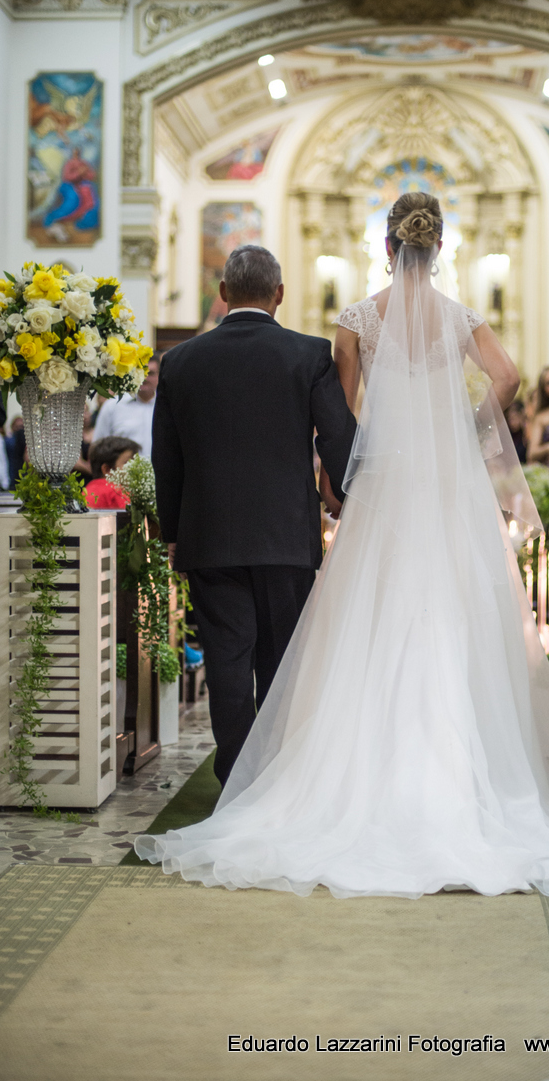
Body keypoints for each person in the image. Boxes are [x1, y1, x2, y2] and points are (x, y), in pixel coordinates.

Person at [136, 192, 549, 898]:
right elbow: (508, 377)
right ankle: (460, 774)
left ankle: (329, 773)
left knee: (369, 615)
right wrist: (459, 423)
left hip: (385, 484)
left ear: (384, 247)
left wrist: (338, 482)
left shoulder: (358, 320)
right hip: (444, 485)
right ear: (437, 250)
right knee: (449, 610)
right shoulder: (461, 316)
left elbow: (339, 417)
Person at [147, 244, 356, 788]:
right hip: (286, 535)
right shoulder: (309, 354)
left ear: (222, 295)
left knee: (226, 661)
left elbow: (165, 458)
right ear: (280, 294)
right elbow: (338, 438)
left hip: (210, 536)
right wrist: (354, 500)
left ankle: (236, 777)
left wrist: (173, 532)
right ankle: (280, 778)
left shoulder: (180, 361)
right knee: (282, 660)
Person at [93, 355, 160, 459]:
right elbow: (98, 446)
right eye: (140, 373)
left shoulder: (166, 406)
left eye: (150, 373)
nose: (145, 378)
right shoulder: (113, 406)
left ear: (159, 376)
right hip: (123, 474)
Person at [84, 436, 140, 509]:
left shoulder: (88, 489)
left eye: (136, 461)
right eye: (127, 462)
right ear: (107, 470)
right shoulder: (116, 491)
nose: (136, 467)